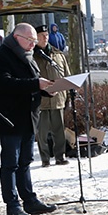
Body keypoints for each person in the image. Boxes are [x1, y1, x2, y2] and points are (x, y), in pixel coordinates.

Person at [0, 23, 57, 215]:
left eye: (35, 41)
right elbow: (5, 84)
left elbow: (31, 82)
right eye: (30, 40)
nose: (34, 44)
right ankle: (13, 205)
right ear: (17, 37)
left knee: (25, 162)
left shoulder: (28, 55)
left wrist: (46, 89)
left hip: (29, 118)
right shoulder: (0, 56)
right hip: (10, 118)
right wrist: (37, 84)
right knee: (10, 163)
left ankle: (29, 199)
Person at [33, 25, 70, 167]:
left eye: (46, 35)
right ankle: (45, 159)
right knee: (42, 133)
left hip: (57, 98)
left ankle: (60, 156)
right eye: (41, 35)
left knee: (59, 130)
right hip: (41, 100)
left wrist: (67, 93)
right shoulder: (31, 56)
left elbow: (66, 74)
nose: (45, 38)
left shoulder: (57, 54)